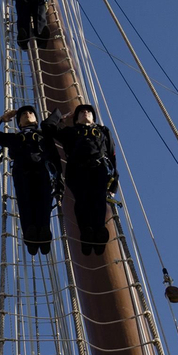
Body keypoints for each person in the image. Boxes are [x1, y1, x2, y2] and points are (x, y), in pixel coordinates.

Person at [0, 105, 63, 255]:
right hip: (22, 172)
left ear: (36, 119)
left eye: (31, 113)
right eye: (23, 114)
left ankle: (44, 233)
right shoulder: (13, 138)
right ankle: (30, 235)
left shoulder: (44, 136)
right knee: (25, 203)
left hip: (42, 170)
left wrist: (59, 182)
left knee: (44, 202)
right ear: (18, 122)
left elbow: (55, 158)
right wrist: (2, 119)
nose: (27, 114)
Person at [44, 104, 118, 256]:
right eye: (82, 112)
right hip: (77, 169)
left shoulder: (103, 131)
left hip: (100, 168)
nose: (86, 112)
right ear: (76, 119)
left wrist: (114, 180)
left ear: (93, 117)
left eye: (89, 111)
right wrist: (61, 116)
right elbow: (47, 126)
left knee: (98, 200)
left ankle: (99, 232)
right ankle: (86, 233)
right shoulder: (69, 132)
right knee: (82, 200)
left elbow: (111, 154)